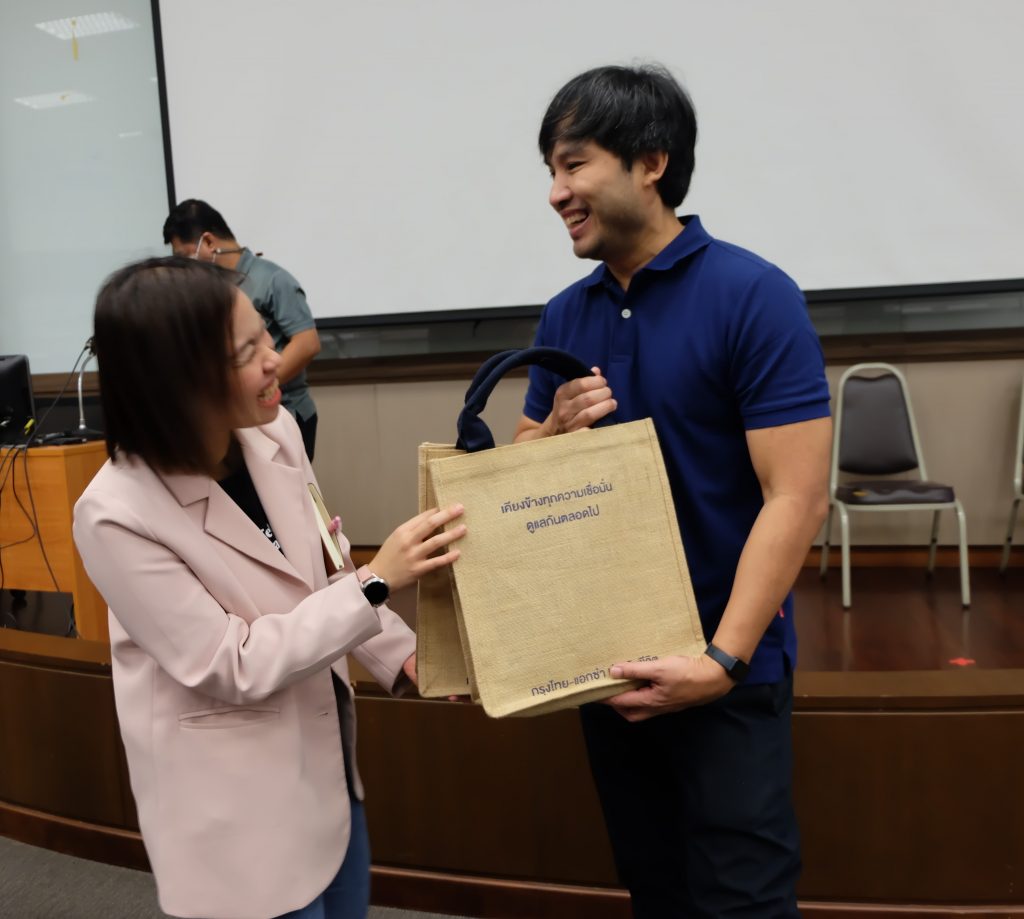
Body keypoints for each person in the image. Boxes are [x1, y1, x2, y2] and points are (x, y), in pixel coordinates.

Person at [514, 64, 832, 917]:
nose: (555, 192)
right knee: (655, 890)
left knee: (742, 900)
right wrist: (554, 432)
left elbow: (797, 496)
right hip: (611, 673)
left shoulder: (754, 295)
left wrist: (719, 661)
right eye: (550, 170)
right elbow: (523, 470)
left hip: (728, 670)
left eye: (573, 164)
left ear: (650, 162)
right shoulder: (565, 314)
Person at [72, 257, 465, 919]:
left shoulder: (274, 433)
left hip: (326, 770)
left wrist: (401, 654)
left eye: (267, 337)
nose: (275, 359)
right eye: (246, 352)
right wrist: (378, 582)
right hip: (234, 811)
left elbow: (324, 566)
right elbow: (231, 662)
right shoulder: (115, 514)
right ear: (178, 381)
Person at [163, 199, 323, 460]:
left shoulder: (272, 279)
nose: (186, 266)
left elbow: (307, 343)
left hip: (285, 411)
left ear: (209, 241)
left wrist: (260, 387)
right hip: (238, 420)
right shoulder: (208, 289)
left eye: (185, 255)